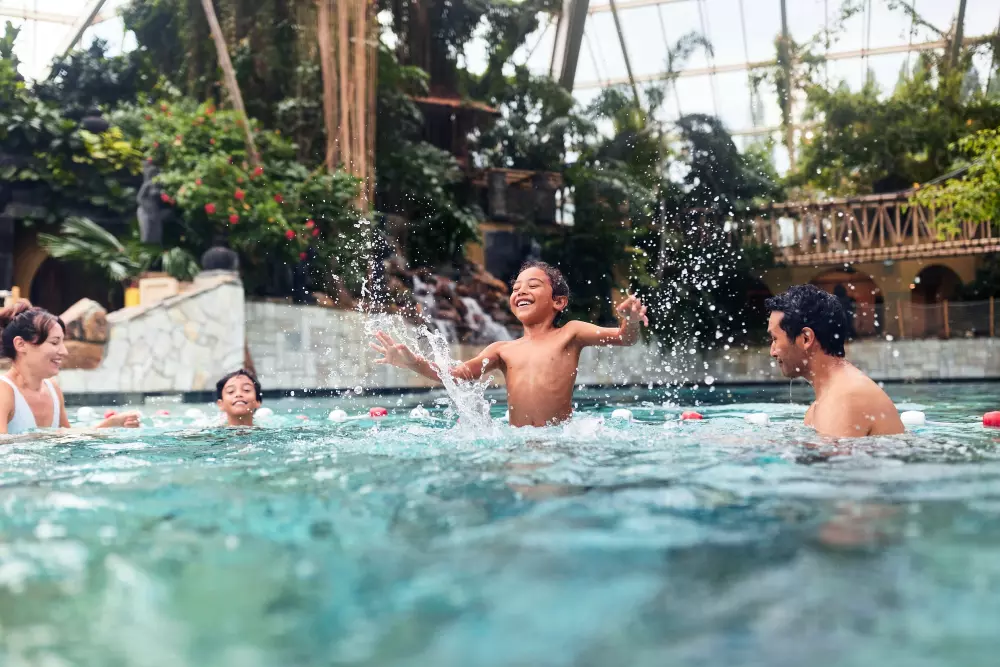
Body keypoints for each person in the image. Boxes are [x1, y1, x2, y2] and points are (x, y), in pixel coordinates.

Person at [371, 261, 648, 427]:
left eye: (533, 286)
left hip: (559, 441)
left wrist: (631, 320)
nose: (521, 291)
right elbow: (456, 375)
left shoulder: (571, 333)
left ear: (558, 301)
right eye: (516, 288)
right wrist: (413, 363)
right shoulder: (502, 350)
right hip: (517, 442)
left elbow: (624, 338)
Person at [766, 284, 903, 438]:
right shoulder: (826, 402)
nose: (772, 352)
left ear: (806, 338)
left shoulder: (844, 400)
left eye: (775, 339)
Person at [0, 302, 140, 435]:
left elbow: (67, 438)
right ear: (21, 344)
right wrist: (47, 437)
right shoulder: (4, 391)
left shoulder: (52, 389)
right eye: (54, 342)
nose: (64, 351)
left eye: (63, 342)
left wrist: (110, 425)